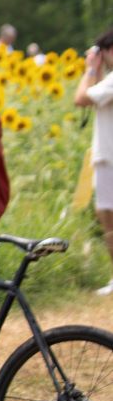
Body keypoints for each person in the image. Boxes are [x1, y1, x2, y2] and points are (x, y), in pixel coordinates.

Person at [72, 26, 113, 295]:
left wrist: (89, 68)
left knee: (107, 217)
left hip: (110, 159)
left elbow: (81, 98)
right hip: (107, 157)